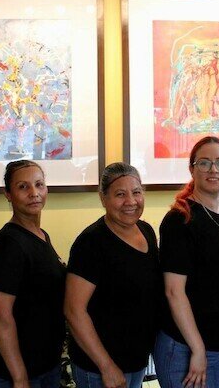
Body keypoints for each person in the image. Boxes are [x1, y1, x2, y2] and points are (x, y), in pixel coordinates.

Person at [154, 136, 219, 388]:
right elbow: (174, 292)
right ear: (192, 169)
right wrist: (197, 349)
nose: (213, 169)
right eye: (204, 163)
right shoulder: (179, 220)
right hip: (185, 347)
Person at [65, 162, 162, 388]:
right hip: (100, 369)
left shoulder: (146, 231)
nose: (131, 201)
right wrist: (106, 366)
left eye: (136, 192)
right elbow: (73, 311)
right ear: (103, 198)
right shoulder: (91, 243)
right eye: (120, 194)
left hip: (135, 362)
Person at [0, 160, 66, 388]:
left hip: (45, 366)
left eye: (39, 184)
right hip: (14, 375)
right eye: (23, 187)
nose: (34, 193)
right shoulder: (8, 244)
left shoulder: (40, 235)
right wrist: (19, 377)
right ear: (8, 194)